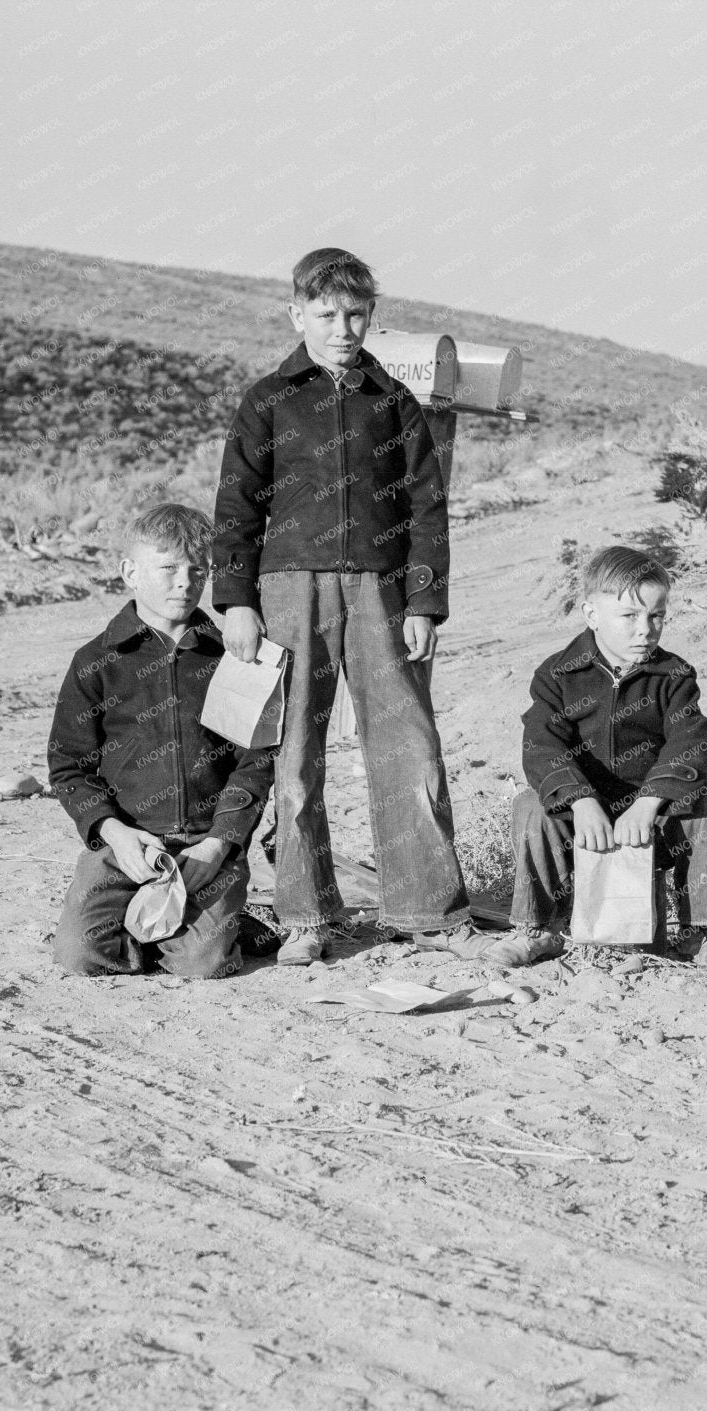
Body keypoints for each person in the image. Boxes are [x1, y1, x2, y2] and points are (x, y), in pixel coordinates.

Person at [211, 246, 494, 965]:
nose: (343, 327)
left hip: (380, 589)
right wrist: (236, 602)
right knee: (292, 756)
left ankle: (427, 906)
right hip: (287, 591)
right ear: (297, 312)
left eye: (357, 313)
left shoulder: (392, 401)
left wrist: (424, 601)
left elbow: (427, 508)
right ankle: (306, 917)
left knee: (409, 748)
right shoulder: (267, 399)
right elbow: (236, 509)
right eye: (328, 313)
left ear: (372, 315)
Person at [48, 502, 273, 979]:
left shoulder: (231, 658)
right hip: (125, 844)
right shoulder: (96, 661)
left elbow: (254, 762)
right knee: (79, 956)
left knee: (202, 965)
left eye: (198, 569)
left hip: (201, 844)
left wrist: (218, 843)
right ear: (130, 571)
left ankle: (209, 924)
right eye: (168, 567)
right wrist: (114, 833)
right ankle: (168, 924)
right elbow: (68, 766)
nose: (184, 582)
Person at [495, 545, 707, 970]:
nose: (646, 629)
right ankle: (537, 929)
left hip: (652, 818)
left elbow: (692, 743)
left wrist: (650, 802)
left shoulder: (674, 676)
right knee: (531, 806)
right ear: (591, 614)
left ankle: (701, 933)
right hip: (585, 821)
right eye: (629, 616)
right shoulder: (557, 675)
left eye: (656, 615)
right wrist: (581, 801)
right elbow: (541, 745)